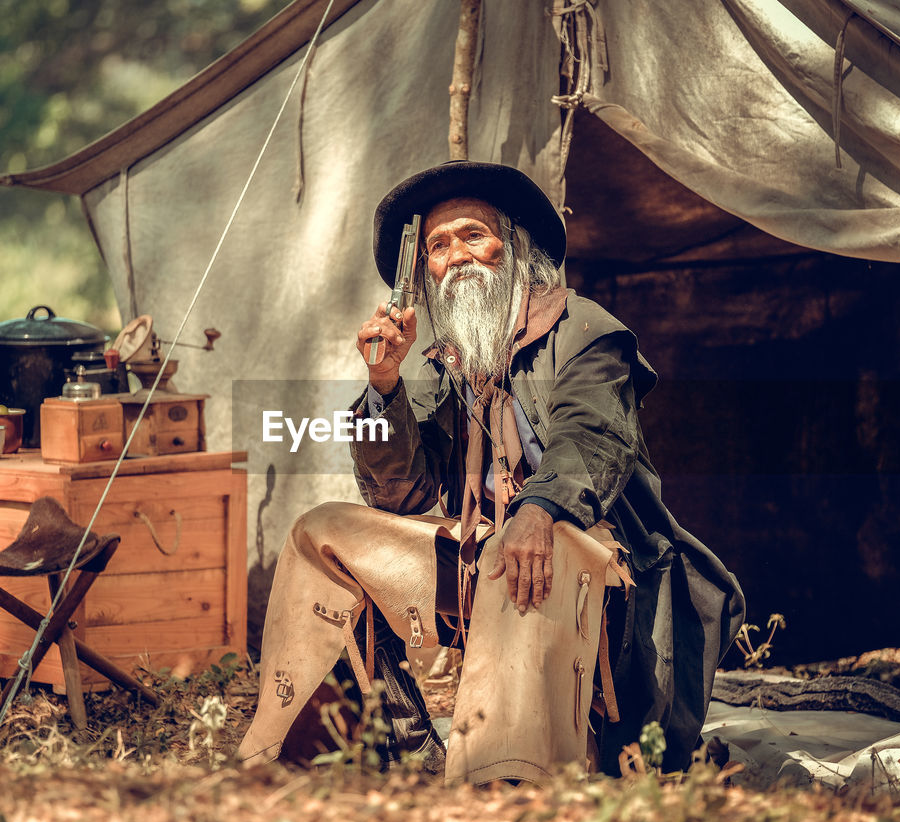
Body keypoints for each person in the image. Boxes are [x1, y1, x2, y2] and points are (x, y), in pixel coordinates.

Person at [237, 160, 745, 782]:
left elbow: (590, 439)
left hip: (602, 570)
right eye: (439, 246)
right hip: (489, 555)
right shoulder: (448, 361)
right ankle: (389, 756)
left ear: (516, 247)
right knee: (321, 532)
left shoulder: (587, 332)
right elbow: (402, 492)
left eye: (474, 235)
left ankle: (497, 778)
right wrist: (384, 384)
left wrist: (537, 510)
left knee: (525, 539)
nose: (457, 257)